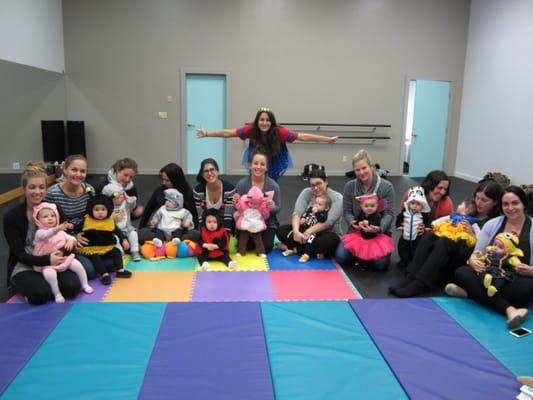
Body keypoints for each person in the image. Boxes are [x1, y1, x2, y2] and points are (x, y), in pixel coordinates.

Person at [390, 180, 503, 297]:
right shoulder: (471, 210)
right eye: (477, 198)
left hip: (467, 256)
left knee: (445, 242)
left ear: (495, 202)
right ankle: (410, 276)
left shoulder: (493, 223)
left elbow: (488, 249)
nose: (479, 202)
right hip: (450, 246)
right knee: (430, 236)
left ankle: (420, 283)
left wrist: (473, 235)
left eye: (484, 200)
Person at [447, 186, 533, 328]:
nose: (510, 208)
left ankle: (469, 293)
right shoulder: (492, 224)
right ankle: (510, 309)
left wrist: (529, 271)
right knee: (462, 272)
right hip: (489, 274)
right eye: (505, 204)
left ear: (523, 203)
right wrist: (474, 262)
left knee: (528, 288)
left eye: (515, 203)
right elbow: (476, 254)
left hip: (515, 279)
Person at [4, 162, 81, 304]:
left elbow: (66, 237)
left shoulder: (53, 209)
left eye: (41, 187)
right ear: (24, 189)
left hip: (53, 260)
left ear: (46, 189)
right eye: (32, 187)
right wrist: (46, 260)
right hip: (26, 263)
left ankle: (45, 284)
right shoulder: (12, 217)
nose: (37, 192)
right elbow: (18, 253)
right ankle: (18, 284)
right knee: (40, 295)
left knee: (72, 288)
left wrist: (61, 253)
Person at [196, 107, 338, 180]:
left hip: (275, 156)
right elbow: (229, 133)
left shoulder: (279, 132)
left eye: (267, 120)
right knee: (256, 177)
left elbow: (303, 137)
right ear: (257, 121)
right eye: (261, 120)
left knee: (270, 182)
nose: (264, 123)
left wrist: (327, 139)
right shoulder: (250, 130)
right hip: (257, 154)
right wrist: (207, 133)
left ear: (272, 122)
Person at [335, 150, 395, 270]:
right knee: (341, 257)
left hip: (378, 235)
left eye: (364, 168)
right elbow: (347, 211)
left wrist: (379, 227)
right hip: (356, 233)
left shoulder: (386, 187)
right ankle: (363, 256)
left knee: (381, 266)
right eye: (357, 170)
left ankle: (364, 257)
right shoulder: (350, 186)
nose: (361, 172)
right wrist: (354, 223)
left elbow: (389, 213)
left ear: (371, 167)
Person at [44, 154, 97, 279]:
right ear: (65, 169)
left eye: (82, 171)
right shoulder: (53, 194)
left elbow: (92, 216)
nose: (78, 174)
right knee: (90, 271)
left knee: (111, 261)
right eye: (74, 170)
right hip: (62, 239)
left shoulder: (89, 190)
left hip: (83, 235)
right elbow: (49, 224)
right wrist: (72, 237)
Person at [32, 202, 93, 302]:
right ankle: (57, 293)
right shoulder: (40, 233)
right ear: (38, 221)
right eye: (45, 216)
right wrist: (57, 228)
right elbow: (46, 235)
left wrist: (70, 241)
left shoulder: (61, 232)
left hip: (64, 259)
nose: (50, 218)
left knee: (78, 265)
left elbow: (72, 238)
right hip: (47, 263)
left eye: (53, 215)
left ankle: (85, 284)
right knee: (50, 274)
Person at [276, 168, 342, 259]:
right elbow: (297, 213)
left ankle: (293, 249)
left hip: (325, 234)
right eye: (312, 185)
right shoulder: (306, 192)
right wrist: (296, 232)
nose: (316, 188)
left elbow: (328, 223)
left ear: (326, 182)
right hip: (304, 230)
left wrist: (308, 232)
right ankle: (310, 251)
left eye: (319, 184)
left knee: (332, 241)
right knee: (280, 230)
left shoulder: (337, 198)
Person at [76, 194, 132, 285]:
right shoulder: (86, 219)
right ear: (91, 210)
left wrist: (123, 240)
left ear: (108, 210)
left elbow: (118, 231)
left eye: (103, 209)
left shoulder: (110, 220)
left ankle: (120, 270)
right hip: (92, 248)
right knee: (95, 258)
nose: (100, 212)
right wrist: (75, 233)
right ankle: (104, 275)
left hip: (107, 247)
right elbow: (77, 229)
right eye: (96, 210)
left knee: (117, 252)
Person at [233, 150, 280, 253]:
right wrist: (235, 202)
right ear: (250, 165)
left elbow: (278, 209)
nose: (258, 167)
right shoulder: (242, 184)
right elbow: (237, 208)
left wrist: (272, 207)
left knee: (267, 247)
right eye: (255, 163)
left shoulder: (273, 185)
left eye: (262, 164)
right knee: (245, 246)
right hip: (246, 222)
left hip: (266, 223)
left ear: (266, 167)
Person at [139, 163, 199, 243]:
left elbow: (193, 215)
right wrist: (145, 226)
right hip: (160, 231)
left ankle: (168, 242)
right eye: (163, 180)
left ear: (176, 180)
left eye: (167, 180)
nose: (164, 183)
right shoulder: (160, 191)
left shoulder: (187, 192)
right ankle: (165, 242)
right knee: (142, 233)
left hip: (179, 231)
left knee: (196, 234)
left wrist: (188, 224)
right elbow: (148, 211)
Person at [342, 193, 394, 262]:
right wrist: (358, 223)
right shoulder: (362, 213)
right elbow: (357, 219)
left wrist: (369, 223)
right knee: (360, 250)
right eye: (366, 206)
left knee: (372, 253)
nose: (369, 208)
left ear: (377, 206)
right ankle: (360, 260)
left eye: (372, 206)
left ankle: (369, 262)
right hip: (361, 237)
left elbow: (377, 224)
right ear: (361, 206)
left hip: (373, 238)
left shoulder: (377, 215)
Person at [282, 194, 331, 262]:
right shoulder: (310, 209)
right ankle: (290, 249)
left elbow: (322, 220)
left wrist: (316, 213)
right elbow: (305, 214)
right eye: (315, 203)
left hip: (314, 232)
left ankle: (306, 254)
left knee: (310, 241)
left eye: (319, 204)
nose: (316, 205)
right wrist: (302, 219)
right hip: (304, 227)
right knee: (292, 234)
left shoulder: (323, 213)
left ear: (326, 208)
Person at [474, 232, 523, 297]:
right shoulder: (490, 253)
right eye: (495, 244)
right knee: (480, 271)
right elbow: (483, 259)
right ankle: (485, 280)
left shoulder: (510, 257)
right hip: (489, 269)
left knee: (502, 280)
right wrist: (479, 256)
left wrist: (519, 266)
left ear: (508, 250)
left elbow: (517, 264)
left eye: (500, 247)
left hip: (502, 272)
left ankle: (494, 288)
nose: (495, 248)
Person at [193, 158, 235, 232]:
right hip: (206, 229)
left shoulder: (229, 189)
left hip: (224, 229)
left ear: (217, 171)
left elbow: (228, 218)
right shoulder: (198, 191)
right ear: (202, 175)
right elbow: (200, 218)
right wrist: (204, 237)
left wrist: (224, 239)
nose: (209, 173)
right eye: (206, 171)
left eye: (212, 169)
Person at [102, 182, 141, 261]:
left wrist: (127, 197)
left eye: (122, 195)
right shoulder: (106, 207)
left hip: (127, 228)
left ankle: (135, 251)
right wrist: (111, 218)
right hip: (114, 230)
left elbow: (133, 202)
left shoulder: (125, 203)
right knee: (114, 239)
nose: (122, 198)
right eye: (118, 197)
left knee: (133, 234)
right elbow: (102, 220)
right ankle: (120, 253)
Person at [395, 186, 431, 268]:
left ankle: (414, 262)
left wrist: (427, 227)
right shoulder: (405, 211)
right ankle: (404, 260)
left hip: (417, 236)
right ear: (409, 203)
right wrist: (398, 225)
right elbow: (399, 217)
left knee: (417, 249)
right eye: (413, 203)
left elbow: (428, 221)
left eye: (418, 204)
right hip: (405, 235)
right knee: (402, 247)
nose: (415, 206)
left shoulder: (423, 214)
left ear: (422, 206)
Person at [235, 186, 271, 257]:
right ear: (248, 200)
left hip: (256, 225)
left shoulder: (262, 204)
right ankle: (241, 251)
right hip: (245, 224)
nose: (254, 206)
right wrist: (237, 201)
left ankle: (261, 252)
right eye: (251, 203)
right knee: (243, 239)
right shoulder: (243, 202)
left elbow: (265, 213)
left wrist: (267, 206)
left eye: (256, 204)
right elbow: (239, 208)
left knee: (258, 239)